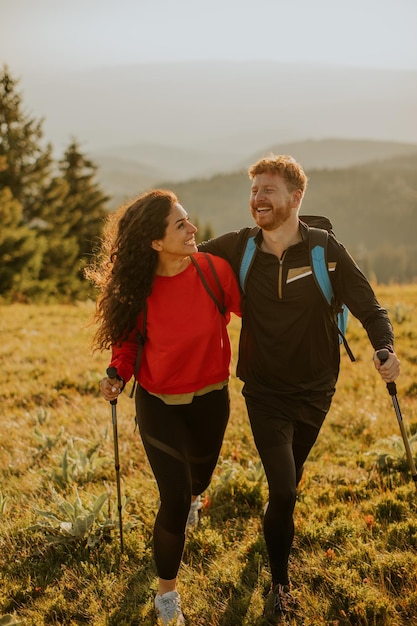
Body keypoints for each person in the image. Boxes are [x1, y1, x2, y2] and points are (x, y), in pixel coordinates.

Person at [199, 154, 400, 624]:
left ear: (296, 197)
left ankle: (275, 521)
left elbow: (369, 307)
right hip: (264, 391)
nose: (257, 199)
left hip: (316, 390)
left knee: (290, 476)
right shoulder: (239, 245)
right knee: (285, 489)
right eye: (253, 191)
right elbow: (183, 258)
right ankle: (281, 585)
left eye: (268, 190)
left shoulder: (325, 250)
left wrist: (385, 350)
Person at [85, 189, 241, 625]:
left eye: (189, 220)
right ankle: (167, 595)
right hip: (159, 404)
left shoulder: (214, 272)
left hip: (212, 397)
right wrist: (117, 374)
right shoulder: (137, 290)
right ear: (156, 242)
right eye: (181, 225)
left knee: (199, 479)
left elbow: (257, 314)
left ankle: (194, 495)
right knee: (173, 498)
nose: (193, 230)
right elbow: (128, 344)